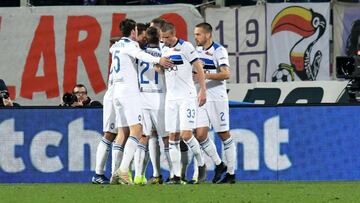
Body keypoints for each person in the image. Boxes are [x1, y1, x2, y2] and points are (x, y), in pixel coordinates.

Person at [110, 18, 173, 185]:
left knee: (123, 133)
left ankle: (114, 173)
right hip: (129, 93)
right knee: (137, 132)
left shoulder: (116, 47)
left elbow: (112, 47)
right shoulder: (133, 46)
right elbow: (140, 54)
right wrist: (158, 60)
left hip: (116, 92)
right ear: (133, 32)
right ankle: (123, 171)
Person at [160, 22, 207, 184]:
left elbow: (199, 68)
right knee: (172, 136)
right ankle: (176, 176)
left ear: (173, 34)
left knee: (186, 135)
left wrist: (203, 90)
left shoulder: (186, 47)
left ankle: (201, 164)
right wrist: (159, 65)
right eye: (162, 37)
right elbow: (160, 69)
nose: (164, 40)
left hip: (186, 96)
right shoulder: (163, 48)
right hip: (171, 98)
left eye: (166, 37)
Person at [193, 22, 236, 184]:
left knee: (223, 134)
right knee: (201, 135)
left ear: (208, 35)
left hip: (217, 98)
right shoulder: (196, 51)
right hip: (202, 97)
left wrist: (205, 75)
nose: (196, 37)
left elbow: (226, 74)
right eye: (195, 34)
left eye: (198, 34)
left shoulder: (219, 50)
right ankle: (219, 164)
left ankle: (231, 174)